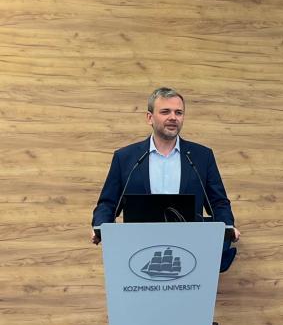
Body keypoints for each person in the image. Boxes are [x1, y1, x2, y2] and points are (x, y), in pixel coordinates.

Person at [91, 87, 240, 271]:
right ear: (149, 118)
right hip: (138, 251)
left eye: (178, 112)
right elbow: (108, 203)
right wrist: (100, 227)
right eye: (165, 112)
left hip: (190, 252)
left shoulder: (202, 156)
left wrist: (227, 226)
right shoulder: (125, 158)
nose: (173, 117)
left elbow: (218, 202)